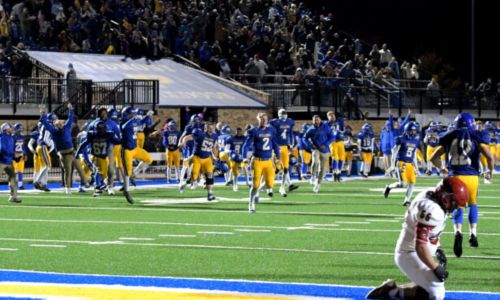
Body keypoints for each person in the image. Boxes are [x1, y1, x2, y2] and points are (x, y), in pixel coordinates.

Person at [366, 177, 469, 300]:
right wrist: (435, 267)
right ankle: (391, 292)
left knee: (432, 285)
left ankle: (397, 289)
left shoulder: (432, 195)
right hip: (409, 253)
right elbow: (420, 245)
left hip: (419, 250)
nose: (454, 207)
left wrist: (438, 248)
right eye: (454, 202)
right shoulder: (432, 209)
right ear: (445, 196)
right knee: (436, 294)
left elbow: (431, 233)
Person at [430, 113, 494, 257]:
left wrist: (442, 168)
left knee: (457, 206)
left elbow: (433, 157)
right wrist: (490, 171)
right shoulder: (477, 136)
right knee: (473, 205)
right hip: (471, 177)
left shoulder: (449, 136)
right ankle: (473, 234)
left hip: (454, 177)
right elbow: (489, 157)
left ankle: (458, 232)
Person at [41, 103, 89, 194]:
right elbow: (47, 125)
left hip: (72, 152)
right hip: (65, 154)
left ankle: (85, 182)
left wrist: (71, 109)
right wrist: (43, 116)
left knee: (80, 169)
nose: (59, 124)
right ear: (55, 126)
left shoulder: (66, 127)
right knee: (68, 171)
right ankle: (67, 188)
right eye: (57, 124)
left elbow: (70, 118)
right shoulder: (55, 131)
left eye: (60, 123)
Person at [242, 112, 280, 213]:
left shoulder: (271, 130)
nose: (263, 121)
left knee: (269, 185)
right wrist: (244, 158)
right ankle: (251, 203)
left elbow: (275, 144)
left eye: (265, 119)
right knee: (255, 185)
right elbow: (246, 146)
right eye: (261, 119)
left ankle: (258, 191)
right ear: (258, 119)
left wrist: (278, 157)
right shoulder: (254, 131)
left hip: (268, 161)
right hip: (257, 161)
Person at [120, 106, 154, 204]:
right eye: (131, 113)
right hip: (127, 150)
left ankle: (134, 174)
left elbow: (141, 121)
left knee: (149, 159)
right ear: (126, 114)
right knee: (127, 173)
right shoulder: (123, 122)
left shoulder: (133, 120)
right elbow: (124, 127)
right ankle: (126, 191)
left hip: (135, 148)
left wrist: (147, 115)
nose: (134, 115)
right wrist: (134, 118)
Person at [178, 122, 219, 201]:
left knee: (210, 177)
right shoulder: (200, 134)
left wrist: (214, 156)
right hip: (197, 157)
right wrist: (183, 142)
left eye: (211, 127)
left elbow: (213, 147)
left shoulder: (214, 136)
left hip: (207, 158)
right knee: (194, 177)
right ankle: (184, 184)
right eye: (208, 127)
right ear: (205, 128)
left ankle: (210, 194)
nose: (210, 129)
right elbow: (187, 137)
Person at [79, 121, 121, 197]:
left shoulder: (95, 135)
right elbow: (84, 149)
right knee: (89, 170)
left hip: (95, 155)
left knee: (101, 171)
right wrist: (87, 161)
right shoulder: (88, 135)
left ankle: (101, 184)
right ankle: (95, 185)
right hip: (90, 155)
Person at [384, 122, 420, 206]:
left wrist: (416, 167)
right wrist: (392, 165)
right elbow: (394, 151)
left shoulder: (415, 141)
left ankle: (406, 200)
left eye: (415, 131)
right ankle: (389, 187)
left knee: (412, 183)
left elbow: (413, 154)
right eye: (412, 131)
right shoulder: (401, 139)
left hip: (410, 164)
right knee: (402, 184)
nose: (413, 133)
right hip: (401, 163)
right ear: (407, 131)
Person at [269, 108, 299, 196]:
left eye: (285, 112)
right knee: (277, 169)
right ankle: (267, 185)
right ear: (279, 114)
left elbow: (290, 133)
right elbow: (271, 134)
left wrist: (291, 144)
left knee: (285, 169)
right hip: (277, 147)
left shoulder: (290, 122)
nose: (284, 114)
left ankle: (282, 188)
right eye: (282, 113)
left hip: (285, 146)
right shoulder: (274, 122)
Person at [305, 115, 334, 193]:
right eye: (314, 120)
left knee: (322, 168)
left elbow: (332, 137)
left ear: (320, 120)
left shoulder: (326, 127)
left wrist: (326, 144)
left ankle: (317, 184)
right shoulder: (310, 129)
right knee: (315, 161)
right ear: (312, 121)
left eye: (317, 120)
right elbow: (305, 138)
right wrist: (311, 145)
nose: (316, 121)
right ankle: (313, 176)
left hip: (325, 150)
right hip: (316, 149)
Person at [0, 123, 20, 203]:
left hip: (8, 161)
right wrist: (12, 154)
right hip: (1, 161)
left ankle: (13, 196)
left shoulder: (11, 137)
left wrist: (14, 155)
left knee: (13, 178)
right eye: (10, 127)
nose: (12, 129)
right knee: (13, 178)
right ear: (6, 128)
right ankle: (13, 196)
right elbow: (2, 149)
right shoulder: (2, 136)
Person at [225, 127, 248, 191]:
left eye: (240, 131)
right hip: (234, 157)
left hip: (242, 156)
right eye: (237, 131)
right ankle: (235, 185)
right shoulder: (231, 138)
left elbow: (247, 147)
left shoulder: (244, 138)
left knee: (245, 168)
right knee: (235, 172)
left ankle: (247, 182)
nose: (238, 132)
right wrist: (230, 153)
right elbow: (226, 149)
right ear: (235, 131)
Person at [326, 111, 345, 182]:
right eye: (330, 115)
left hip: (340, 140)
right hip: (333, 141)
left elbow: (343, 130)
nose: (332, 116)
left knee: (342, 157)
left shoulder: (339, 121)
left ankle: (339, 173)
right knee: (335, 157)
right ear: (328, 117)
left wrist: (340, 131)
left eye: (333, 115)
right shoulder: (326, 124)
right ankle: (334, 173)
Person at [12, 123, 26, 189]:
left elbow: (23, 147)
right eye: (19, 128)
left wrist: (25, 154)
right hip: (14, 155)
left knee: (20, 171)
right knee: (13, 172)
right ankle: (13, 184)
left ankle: (20, 185)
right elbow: (10, 146)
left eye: (21, 128)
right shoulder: (12, 136)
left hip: (21, 154)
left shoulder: (22, 136)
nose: (20, 130)